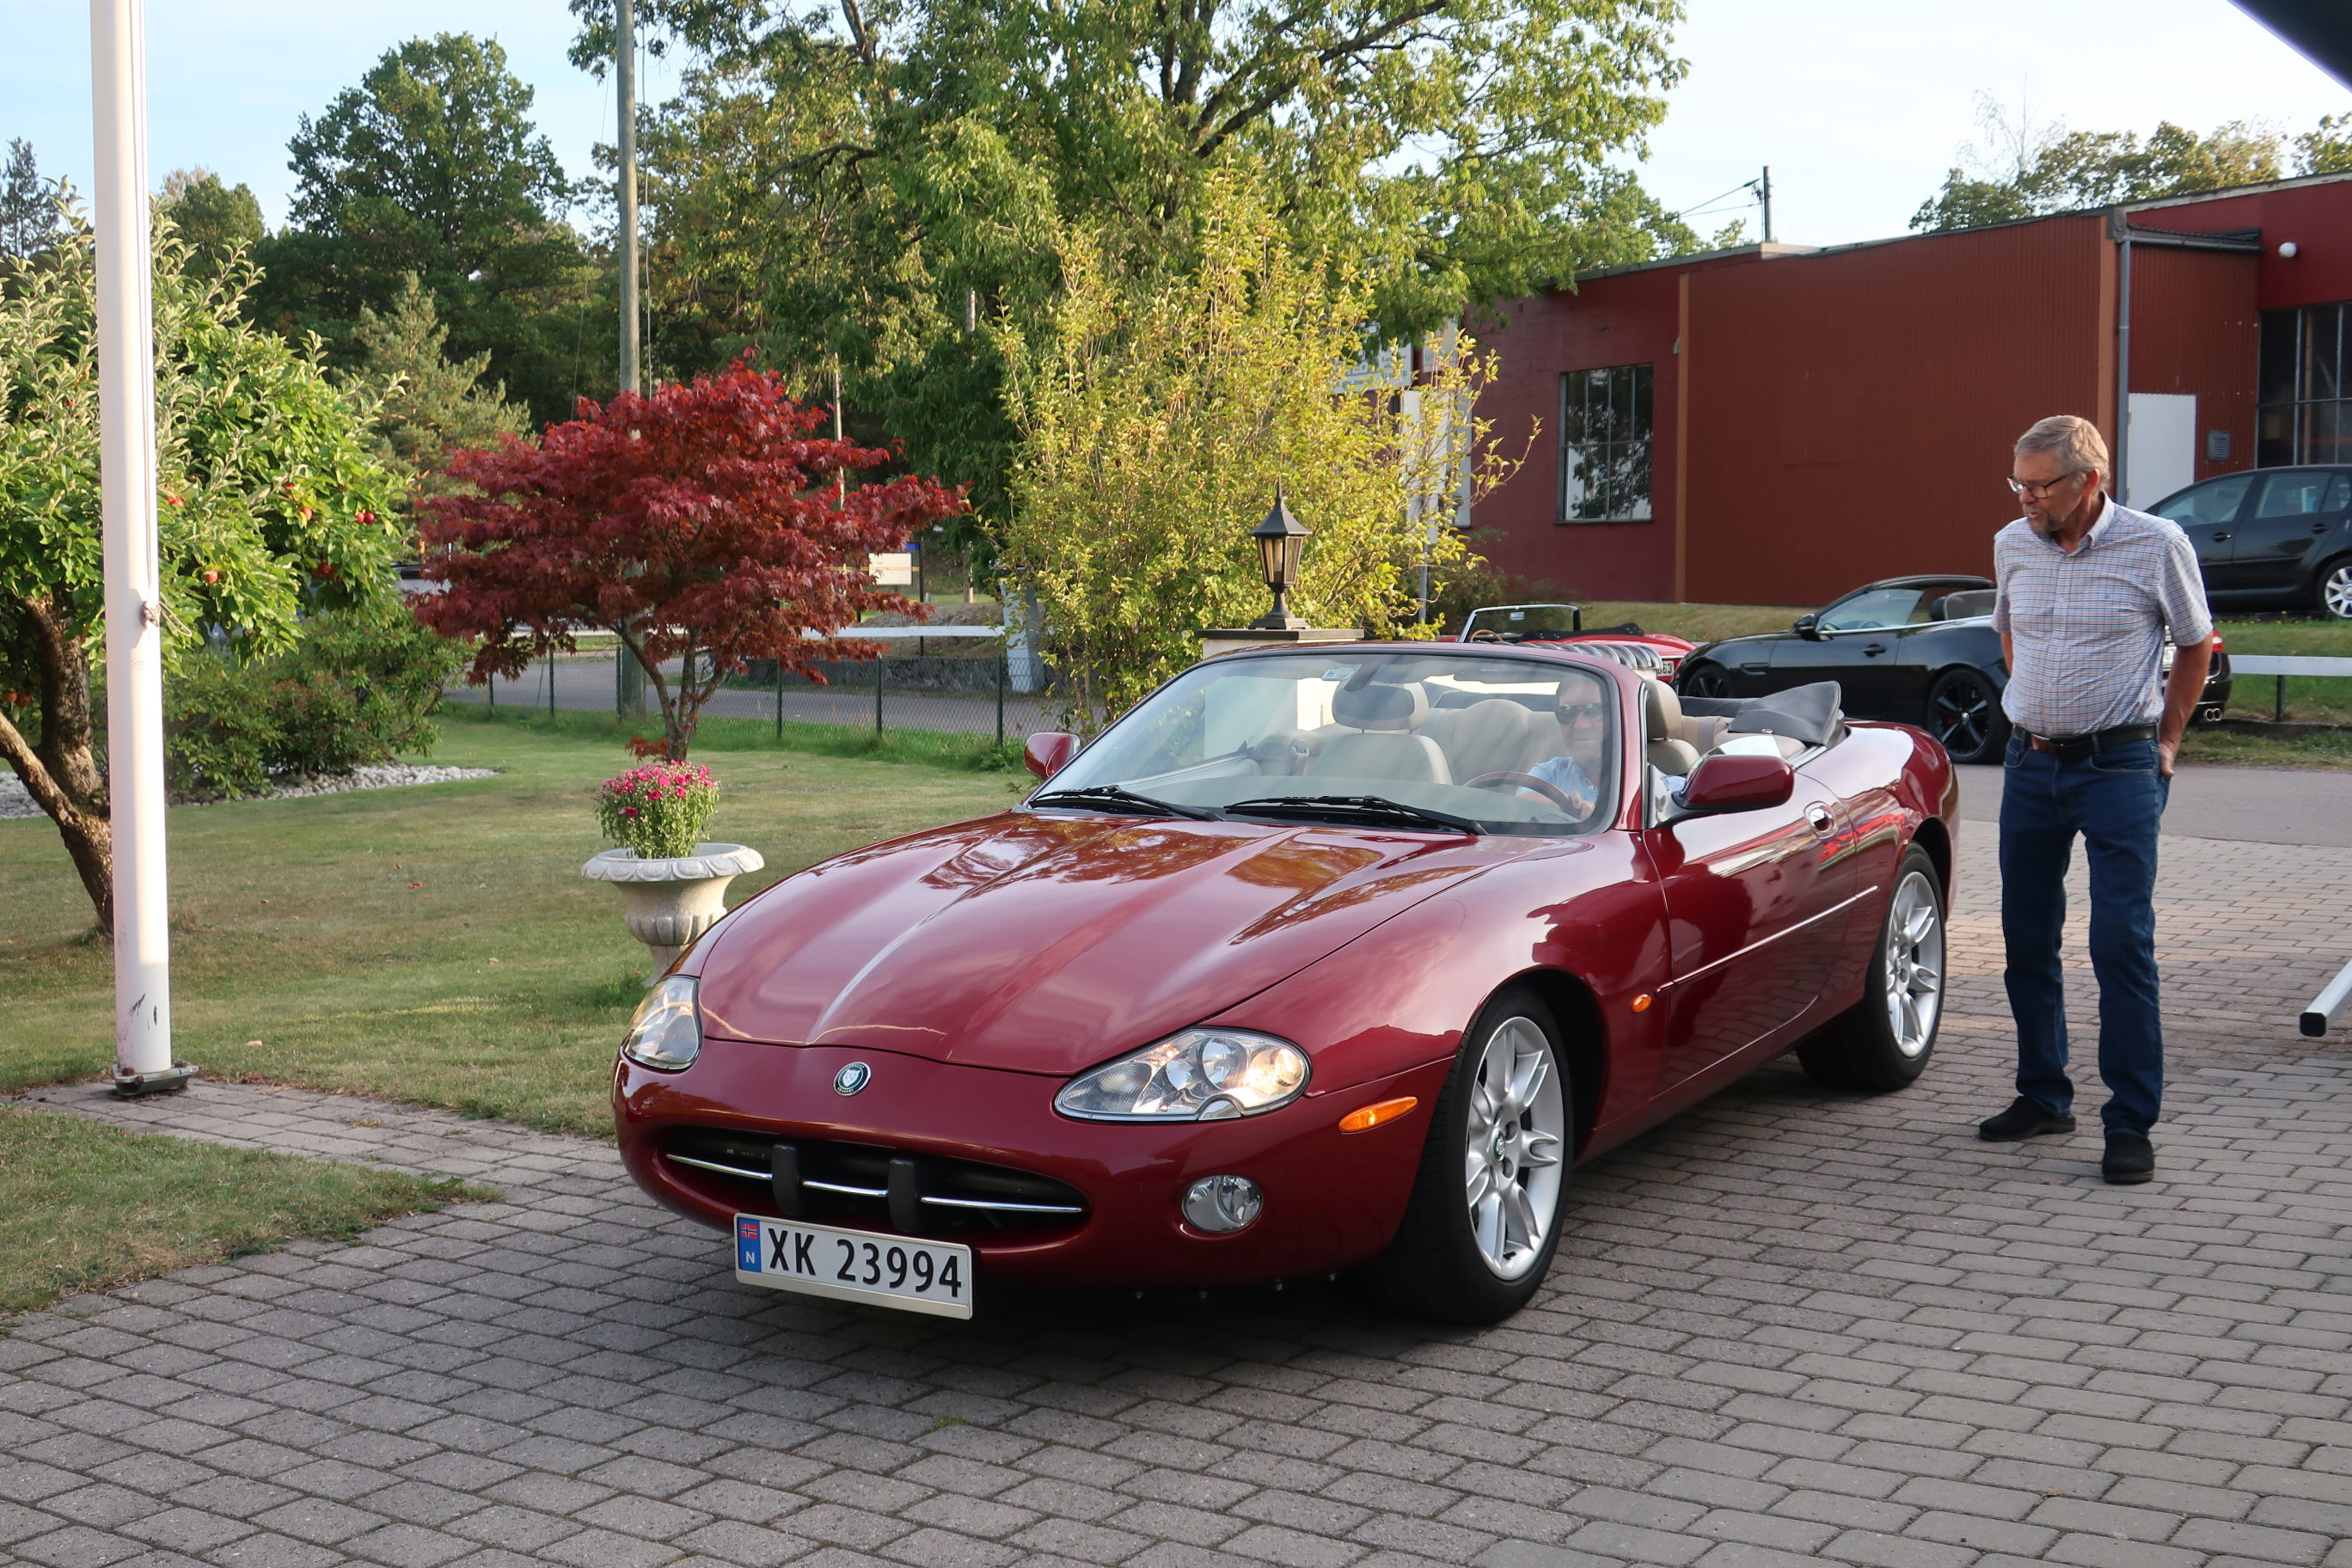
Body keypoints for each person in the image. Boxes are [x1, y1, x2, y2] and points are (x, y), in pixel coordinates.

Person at [1979, 414, 2212, 1185]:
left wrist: (2167, 743)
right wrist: (2034, 701)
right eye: (2017, 483)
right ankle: (2044, 1095)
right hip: (2029, 765)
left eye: (2040, 485)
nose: (2025, 498)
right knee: (2026, 937)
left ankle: (2130, 1122)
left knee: (2119, 942)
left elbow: (2195, 643)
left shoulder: (2157, 544)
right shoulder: (2013, 544)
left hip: (2119, 768)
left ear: (2090, 480)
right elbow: (2011, 632)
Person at [1521, 673, 1607, 816]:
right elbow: (1523, 800)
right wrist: (1563, 808)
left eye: (1593, 710)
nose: (1580, 725)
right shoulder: (1552, 772)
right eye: (1566, 712)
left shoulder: (1642, 779)